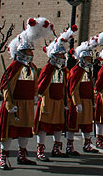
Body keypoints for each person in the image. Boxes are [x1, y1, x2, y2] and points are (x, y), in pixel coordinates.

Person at [0, 17, 53, 170]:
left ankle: (22, 155)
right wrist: (9, 104)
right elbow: (6, 86)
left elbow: (34, 83)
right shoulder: (15, 66)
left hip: (27, 103)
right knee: (9, 132)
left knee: (25, 131)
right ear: (21, 51)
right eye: (28, 50)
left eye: (31, 50)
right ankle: (3, 157)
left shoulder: (32, 67)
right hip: (15, 103)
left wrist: (35, 95)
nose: (31, 53)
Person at [34, 26, 75, 161]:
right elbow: (42, 84)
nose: (63, 57)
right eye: (60, 55)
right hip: (48, 100)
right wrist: (43, 98)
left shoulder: (62, 70)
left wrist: (65, 100)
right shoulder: (48, 68)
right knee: (44, 126)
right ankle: (40, 149)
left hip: (59, 101)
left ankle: (57, 148)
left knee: (58, 125)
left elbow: (64, 86)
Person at [66, 30, 103, 155]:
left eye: (90, 58)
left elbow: (90, 86)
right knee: (73, 125)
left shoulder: (87, 71)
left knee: (87, 124)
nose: (90, 60)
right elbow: (73, 88)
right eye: (88, 58)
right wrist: (77, 102)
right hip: (77, 102)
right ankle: (70, 146)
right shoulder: (76, 70)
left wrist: (92, 100)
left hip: (87, 101)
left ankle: (87, 144)